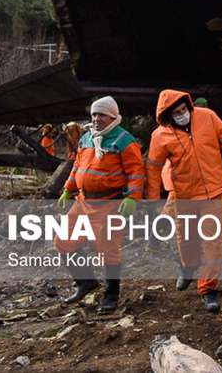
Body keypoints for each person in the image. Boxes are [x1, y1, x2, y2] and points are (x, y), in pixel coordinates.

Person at [145, 90, 222, 312]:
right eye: (176, 113)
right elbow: (154, 168)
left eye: (183, 110)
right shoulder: (160, 136)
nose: (182, 115)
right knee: (186, 239)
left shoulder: (207, 116)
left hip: (215, 190)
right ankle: (188, 266)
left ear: (188, 105)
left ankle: (208, 289)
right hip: (184, 194)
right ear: (167, 116)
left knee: (213, 242)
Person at [54, 96, 144, 312]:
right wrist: (68, 189)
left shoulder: (124, 140)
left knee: (108, 249)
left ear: (113, 116)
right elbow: (77, 166)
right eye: (94, 114)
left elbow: (136, 171)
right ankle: (85, 282)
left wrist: (132, 198)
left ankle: (111, 295)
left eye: (101, 114)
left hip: (110, 203)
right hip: (84, 200)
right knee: (63, 242)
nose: (96, 118)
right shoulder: (86, 138)